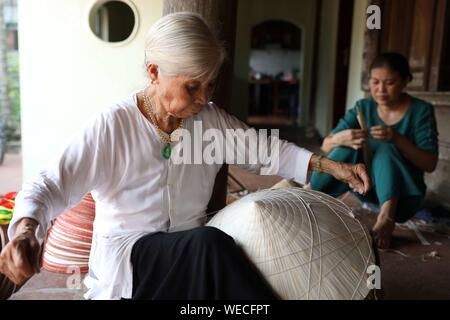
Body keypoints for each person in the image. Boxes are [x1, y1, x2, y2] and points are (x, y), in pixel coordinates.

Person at [0, 12, 370, 300]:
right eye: (192, 85)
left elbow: (267, 150)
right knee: (211, 245)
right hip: (131, 262)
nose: (202, 96)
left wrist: (333, 165)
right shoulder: (114, 125)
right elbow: (49, 183)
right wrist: (26, 231)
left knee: (237, 248)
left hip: (188, 259)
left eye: (209, 84)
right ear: (154, 72)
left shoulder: (209, 122)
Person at [310, 52, 439, 249]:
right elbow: (325, 145)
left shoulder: (421, 110)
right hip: (365, 188)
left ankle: (386, 217)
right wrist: (339, 138)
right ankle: (310, 193)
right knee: (348, 147)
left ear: (406, 82)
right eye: (375, 82)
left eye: (389, 82)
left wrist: (397, 139)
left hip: (402, 198)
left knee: (386, 147)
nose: (380, 89)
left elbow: (430, 164)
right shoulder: (363, 107)